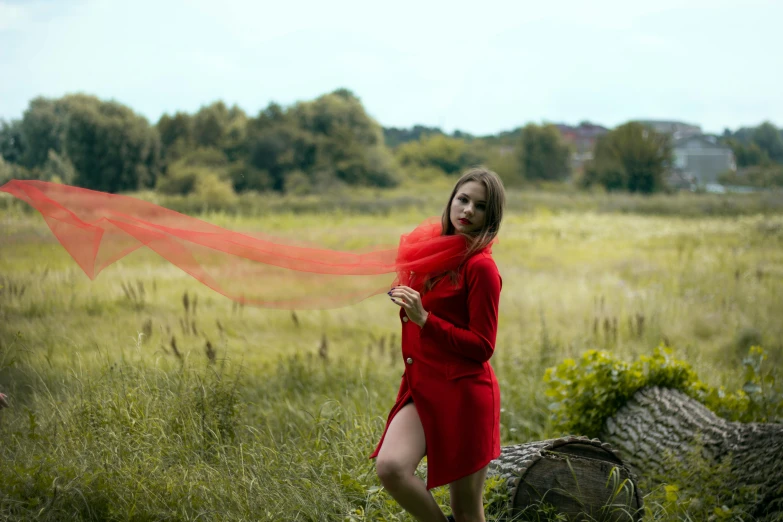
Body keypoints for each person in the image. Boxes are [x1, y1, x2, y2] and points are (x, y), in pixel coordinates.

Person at [371, 167, 505, 522]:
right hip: (423, 385)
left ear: (490, 216)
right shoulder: (432, 250)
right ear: (451, 200)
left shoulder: (481, 268)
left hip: (464, 394)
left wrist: (427, 321)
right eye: (463, 199)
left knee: (466, 512)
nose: (468, 211)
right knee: (391, 467)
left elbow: (482, 346)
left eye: (479, 206)